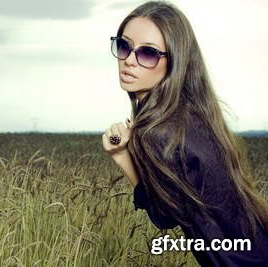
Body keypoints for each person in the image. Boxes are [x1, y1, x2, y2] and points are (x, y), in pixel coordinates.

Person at [101, 1, 268, 266]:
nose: (129, 60)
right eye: (124, 46)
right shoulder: (194, 115)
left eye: (148, 53)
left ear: (174, 61)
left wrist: (121, 155)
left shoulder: (157, 132)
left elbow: (165, 215)